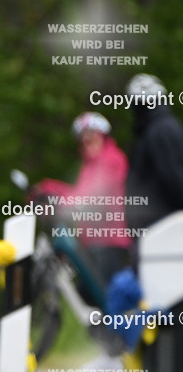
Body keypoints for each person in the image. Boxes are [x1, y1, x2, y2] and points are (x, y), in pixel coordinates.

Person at [32, 113, 131, 286]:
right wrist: (48, 188)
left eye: (91, 136)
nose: (86, 142)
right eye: (82, 139)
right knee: (89, 295)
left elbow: (92, 197)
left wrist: (59, 203)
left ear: (103, 136)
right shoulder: (90, 166)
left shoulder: (111, 159)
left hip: (109, 241)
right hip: (94, 242)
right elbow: (79, 193)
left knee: (102, 298)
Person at [123, 74, 183, 232]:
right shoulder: (154, 130)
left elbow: (174, 176)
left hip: (163, 228)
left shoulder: (160, 131)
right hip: (156, 227)